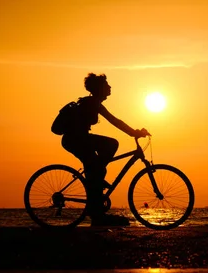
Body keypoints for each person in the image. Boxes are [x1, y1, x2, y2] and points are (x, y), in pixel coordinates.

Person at [60, 73, 150, 226]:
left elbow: (114, 120)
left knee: (97, 170)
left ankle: (96, 210)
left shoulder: (92, 102)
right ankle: (96, 209)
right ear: (99, 88)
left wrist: (133, 132)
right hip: (75, 140)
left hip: (78, 139)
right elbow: (114, 121)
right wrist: (134, 132)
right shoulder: (93, 102)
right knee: (111, 146)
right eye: (106, 85)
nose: (110, 87)